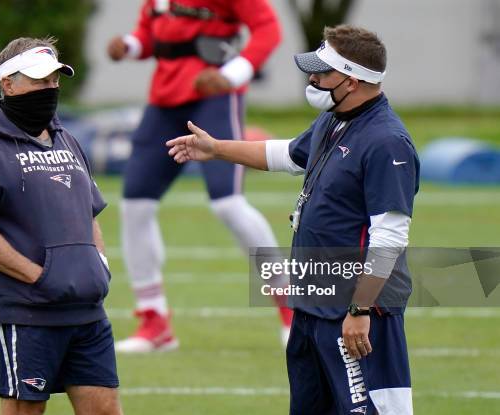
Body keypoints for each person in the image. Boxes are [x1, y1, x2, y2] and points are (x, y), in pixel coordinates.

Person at [167, 25, 419, 415]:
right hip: (312, 304)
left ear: (352, 82)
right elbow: (287, 154)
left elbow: (390, 234)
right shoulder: (336, 119)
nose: (313, 78)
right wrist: (216, 149)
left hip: (352, 311)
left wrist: (360, 311)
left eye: (322, 71)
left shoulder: (386, 141)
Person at [0, 37, 123, 415]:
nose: (50, 88)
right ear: (9, 85)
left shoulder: (67, 139)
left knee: (106, 411)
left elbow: (88, 213)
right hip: (26, 313)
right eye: (40, 81)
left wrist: (99, 265)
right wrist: (40, 278)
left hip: (87, 311)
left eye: (55, 80)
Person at [106, 0, 293, 353]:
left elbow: (269, 30)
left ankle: (291, 309)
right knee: (134, 207)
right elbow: (152, 35)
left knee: (228, 205)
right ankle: (154, 321)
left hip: (214, 97)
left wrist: (231, 75)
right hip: (164, 101)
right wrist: (129, 46)